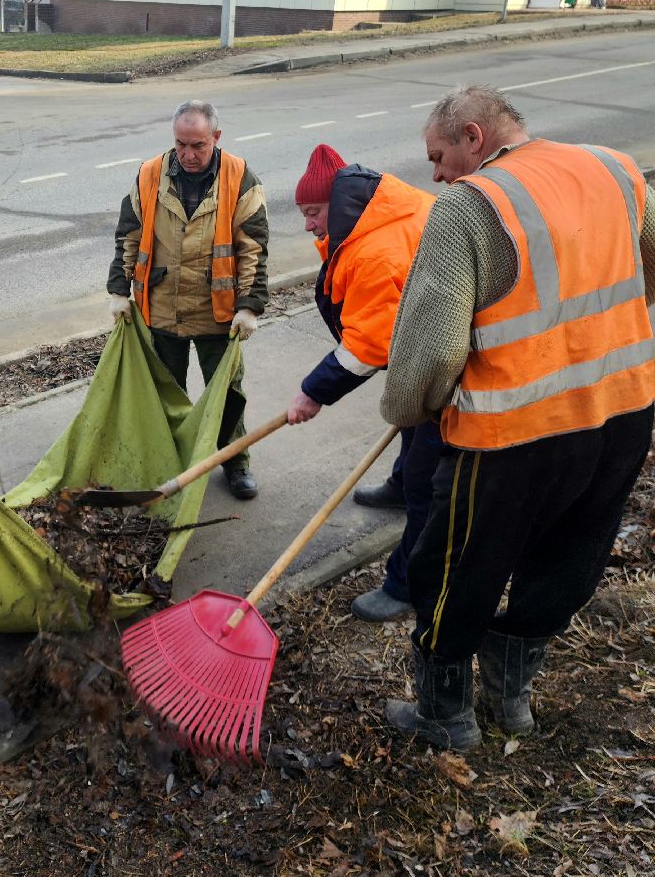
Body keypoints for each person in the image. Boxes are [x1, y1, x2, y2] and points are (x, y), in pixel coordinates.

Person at [380, 86, 655, 750]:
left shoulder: (469, 207)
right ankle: (512, 696)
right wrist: (593, 335)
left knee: (454, 567)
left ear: (474, 136)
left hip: (514, 437)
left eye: (438, 156)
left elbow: (432, 351)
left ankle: (445, 714)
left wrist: (412, 409)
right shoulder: (614, 167)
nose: (435, 174)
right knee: (569, 557)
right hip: (621, 416)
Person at [285, 144, 439, 622]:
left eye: (313, 213)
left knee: (429, 484)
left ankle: (407, 585)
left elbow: (368, 345)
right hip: (425, 351)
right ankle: (400, 484)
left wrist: (313, 392)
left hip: (455, 362)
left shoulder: (376, 248)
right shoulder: (374, 212)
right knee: (409, 416)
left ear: (340, 203)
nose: (308, 225)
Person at [108, 99, 269, 499]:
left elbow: (253, 246)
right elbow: (128, 233)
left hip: (218, 313)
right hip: (162, 307)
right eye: (181, 144)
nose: (188, 154)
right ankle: (172, 463)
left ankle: (235, 461)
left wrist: (249, 305)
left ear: (216, 137)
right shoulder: (150, 174)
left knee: (227, 395)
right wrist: (117, 290)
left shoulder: (239, 176)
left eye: (198, 145)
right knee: (168, 393)